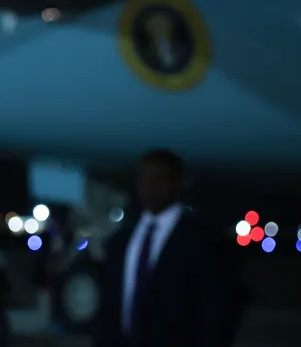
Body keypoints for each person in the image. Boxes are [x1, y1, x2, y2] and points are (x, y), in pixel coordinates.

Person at [95, 149, 234, 347]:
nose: (150, 187)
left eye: (160, 179)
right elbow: (110, 306)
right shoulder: (121, 241)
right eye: (145, 179)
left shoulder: (202, 242)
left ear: (178, 183)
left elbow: (215, 311)